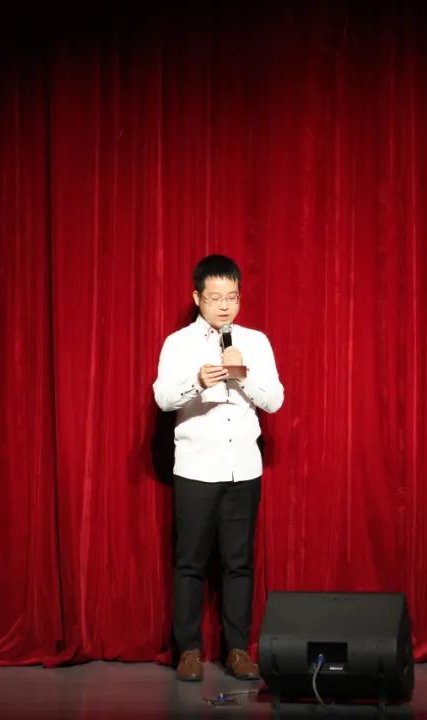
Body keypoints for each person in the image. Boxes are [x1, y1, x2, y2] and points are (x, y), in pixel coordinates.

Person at [152, 254, 284, 682]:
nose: (225, 305)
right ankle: (188, 651)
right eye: (215, 297)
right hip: (196, 468)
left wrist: (241, 374)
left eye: (232, 297)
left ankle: (238, 650)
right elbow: (162, 398)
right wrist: (197, 382)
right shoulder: (178, 343)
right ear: (197, 298)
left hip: (243, 469)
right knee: (190, 562)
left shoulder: (256, 341)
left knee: (239, 563)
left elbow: (275, 400)